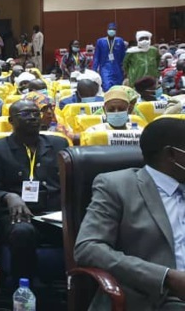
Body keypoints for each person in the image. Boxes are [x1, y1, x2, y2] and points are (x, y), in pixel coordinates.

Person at [75, 118, 185, 310]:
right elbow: (88, 247)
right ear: (171, 155)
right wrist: (165, 277)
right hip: (156, 296)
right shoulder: (118, 186)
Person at [0, 100, 69, 291]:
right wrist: (8, 196)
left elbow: (72, 181)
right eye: (26, 114)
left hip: (54, 216)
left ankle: (81, 288)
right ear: (11, 120)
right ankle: (24, 288)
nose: (33, 118)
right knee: (23, 232)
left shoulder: (58, 143)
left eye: (36, 114)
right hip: (18, 217)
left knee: (87, 225)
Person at [93, 23, 128, 91]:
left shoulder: (120, 41)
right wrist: (94, 70)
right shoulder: (100, 41)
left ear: (116, 31)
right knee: (107, 86)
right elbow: (96, 56)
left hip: (117, 68)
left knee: (119, 87)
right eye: (110, 29)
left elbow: (124, 56)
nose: (111, 31)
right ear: (107, 30)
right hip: (105, 68)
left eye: (113, 29)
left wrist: (125, 69)